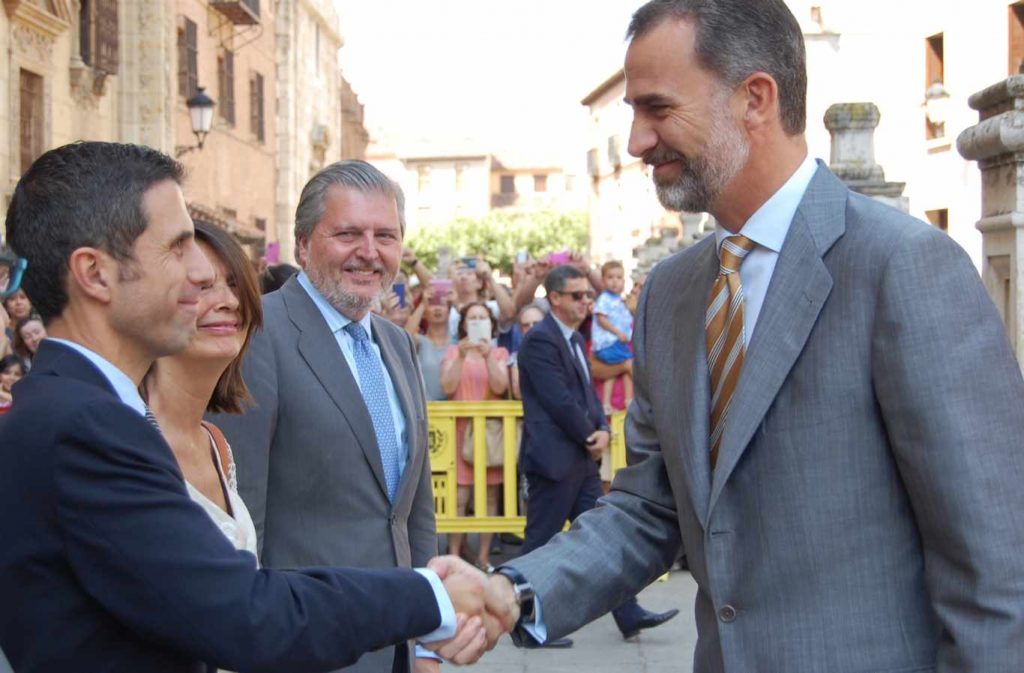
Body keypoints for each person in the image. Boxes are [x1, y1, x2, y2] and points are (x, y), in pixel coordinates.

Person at [485, 2, 1024, 671]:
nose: (636, 142)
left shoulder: (903, 268)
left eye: (657, 108)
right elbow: (650, 507)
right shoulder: (673, 294)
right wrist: (510, 590)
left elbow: (997, 568)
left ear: (755, 98)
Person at [0, 142, 499, 673]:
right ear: (95, 274)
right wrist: (429, 598)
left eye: (386, 235)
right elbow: (240, 609)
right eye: (176, 248)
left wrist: (423, 626)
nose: (201, 279)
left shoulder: (80, 408)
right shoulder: (85, 425)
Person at [210, 160, 449, 673]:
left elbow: (414, 510)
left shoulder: (397, 343)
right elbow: (239, 513)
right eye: (347, 233)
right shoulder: (255, 336)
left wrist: (429, 637)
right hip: (301, 645)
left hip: (397, 646)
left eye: (385, 235)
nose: (369, 251)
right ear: (302, 245)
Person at [512, 265, 678, 647]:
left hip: (579, 461)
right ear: (554, 298)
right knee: (540, 541)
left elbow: (586, 394)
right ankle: (525, 624)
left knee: (603, 538)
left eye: (588, 295)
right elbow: (557, 399)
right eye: (577, 295)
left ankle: (628, 611)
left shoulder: (573, 338)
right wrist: (590, 433)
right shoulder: (540, 340)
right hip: (555, 460)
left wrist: (601, 426)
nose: (587, 301)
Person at [141, 219, 264, 560]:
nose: (229, 301)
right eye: (202, 286)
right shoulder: (126, 439)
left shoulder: (217, 445)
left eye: (235, 284)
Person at [440, 302, 509, 572]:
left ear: (491, 324)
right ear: (463, 324)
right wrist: (461, 356)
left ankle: (483, 557)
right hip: (459, 431)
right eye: (473, 318)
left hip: (489, 434)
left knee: (490, 496)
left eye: (483, 317)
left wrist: (488, 355)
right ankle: (455, 555)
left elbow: (501, 386)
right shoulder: (453, 351)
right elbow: (447, 386)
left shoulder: (500, 352)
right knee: (460, 497)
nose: (478, 321)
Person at [591, 260, 634, 414]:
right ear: (603, 280)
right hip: (609, 342)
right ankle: (629, 400)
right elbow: (601, 319)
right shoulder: (604, 299)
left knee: (615, 371)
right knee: (628, 365)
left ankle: (607, 403)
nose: (615, 281)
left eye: (619, 277)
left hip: (614, 342)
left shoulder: (620, 300)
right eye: (610, 277)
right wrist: (618, 333)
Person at [407, 284, 451, 402]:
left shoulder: (458, 341)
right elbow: (405, 337)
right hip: (428, 410)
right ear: (425, 313)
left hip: (455, 410)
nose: (437, 308)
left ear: (449, 311)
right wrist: (422, 304)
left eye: (442, 305)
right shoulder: (420, 341)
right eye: (432, 305)